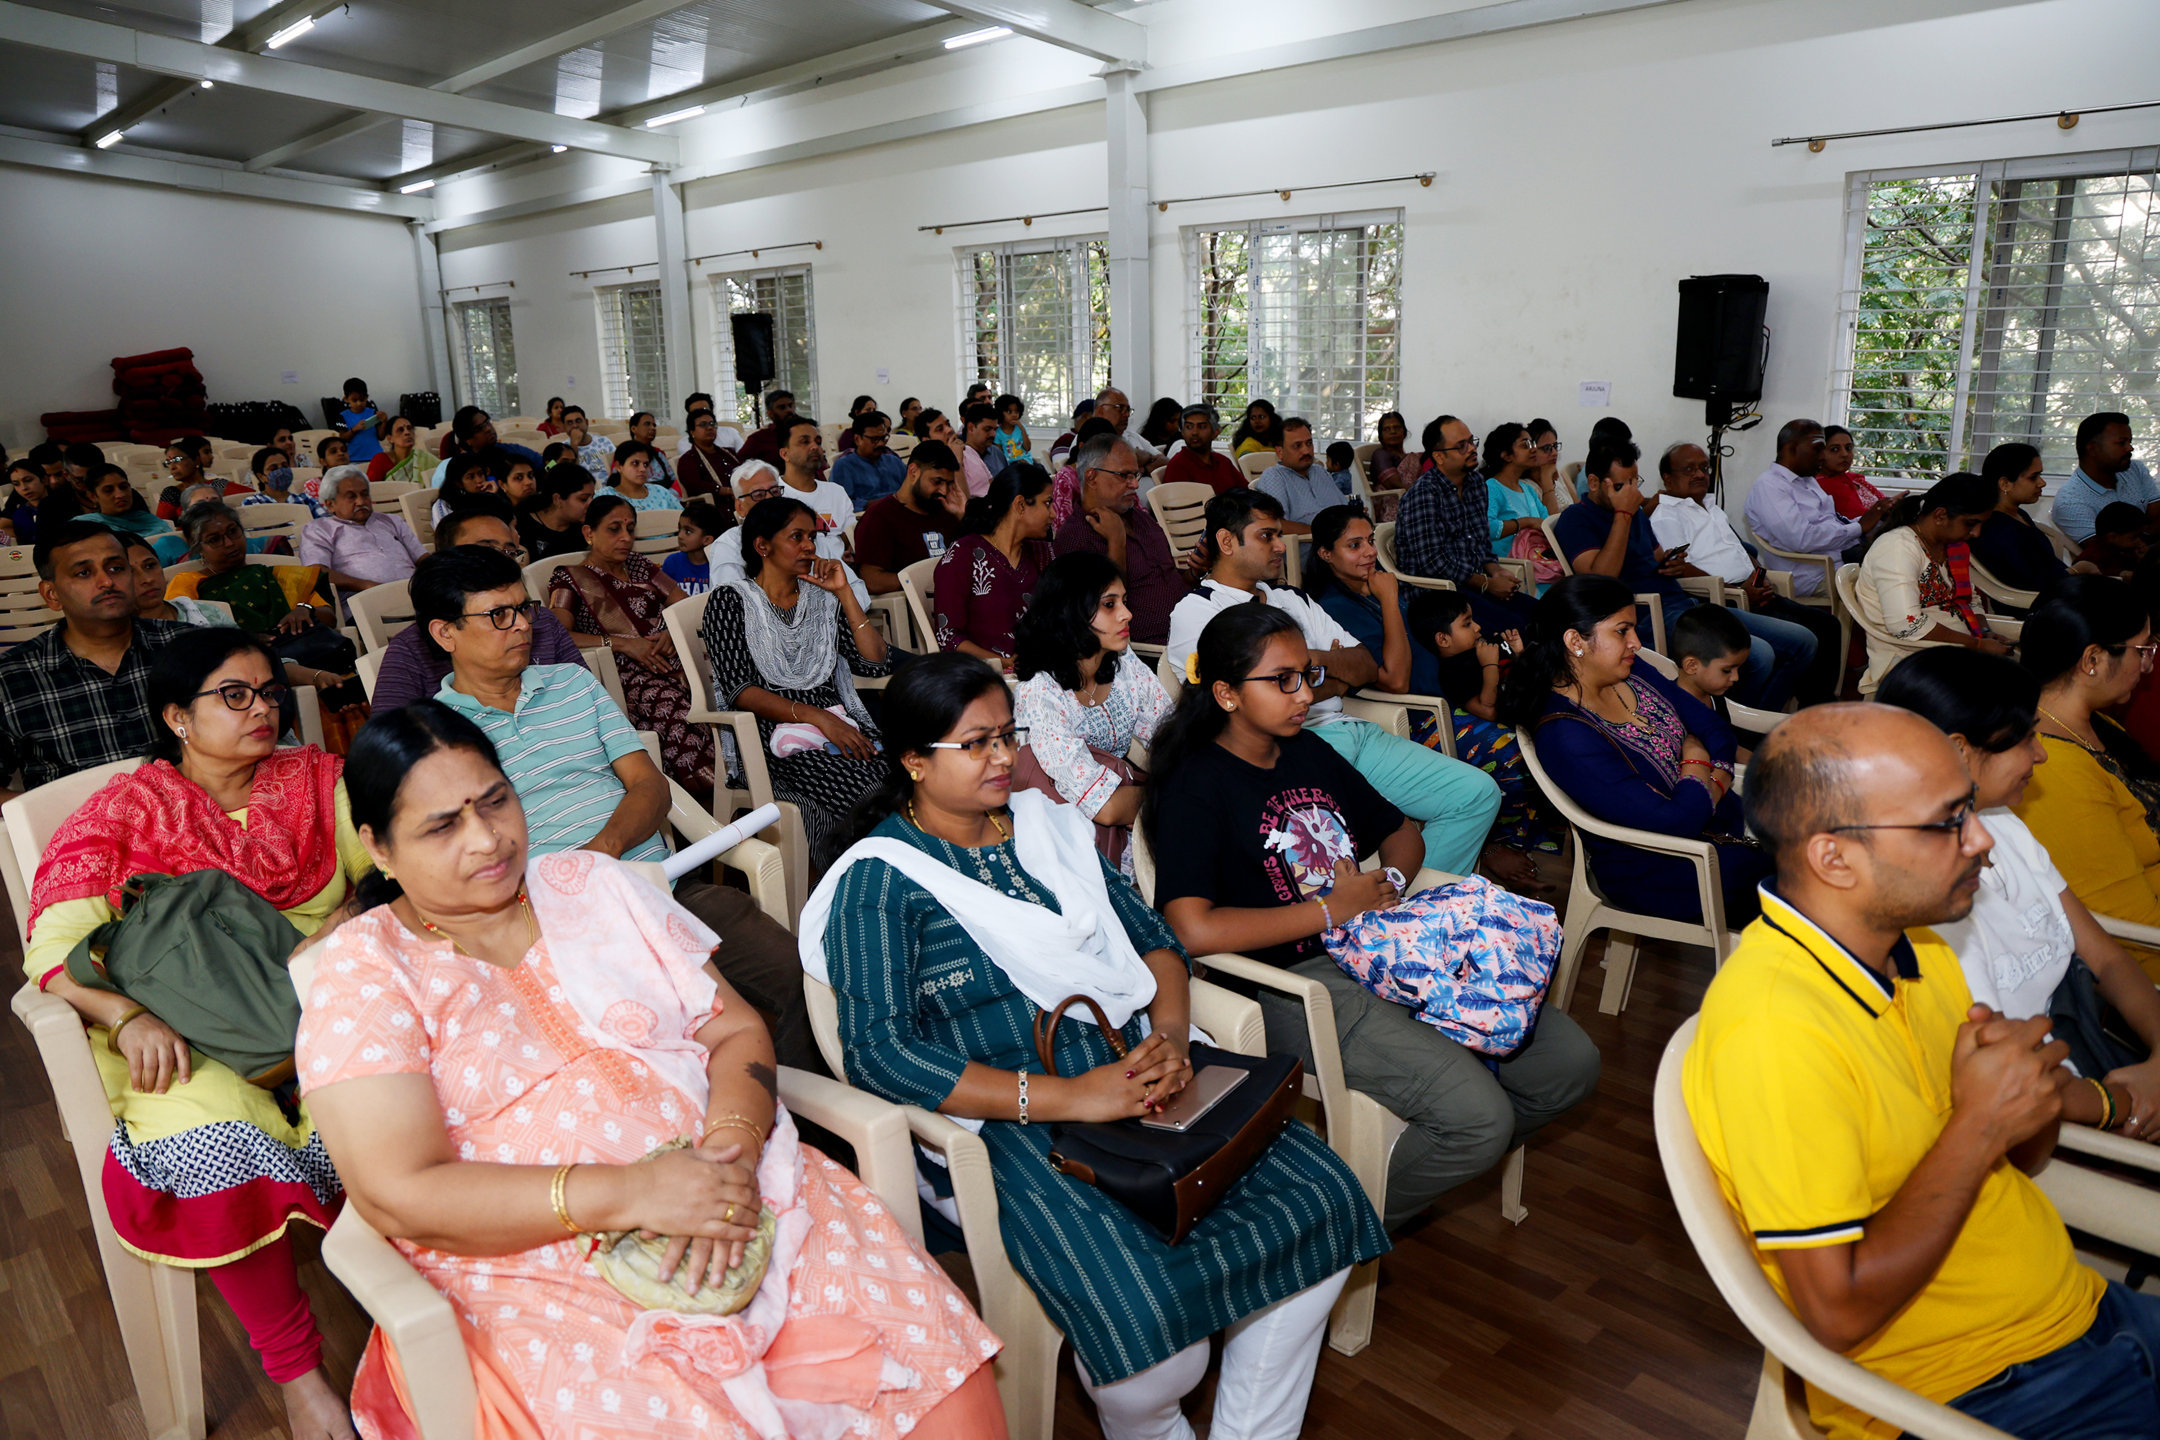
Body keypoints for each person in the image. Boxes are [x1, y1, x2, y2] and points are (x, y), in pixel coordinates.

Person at [300, 703, 1004, 1440]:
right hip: (539, 1258)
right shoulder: (367, 968)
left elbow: (733, 1028)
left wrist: (729, 1155)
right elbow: (399, 1191)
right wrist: (636, 1194)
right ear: (378, 847)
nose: (486, 838)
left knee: (926, 1368)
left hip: (740, 1181)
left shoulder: (591, 885)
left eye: (495, 801)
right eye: (442, 826)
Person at [807, 651, 1384, 1438]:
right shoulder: (882, 880)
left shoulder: (1048, 828)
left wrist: (1172, 1037)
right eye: (976, 744)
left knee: (1321, 1205)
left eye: (1007, 735)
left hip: (1141, 1066)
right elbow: (880, 1052)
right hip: (1015, 1121)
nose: (1004, 758)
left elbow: (1157, 942)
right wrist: (1073, 1097)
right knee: (1159, 1351)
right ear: (913, 760)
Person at [1686, 701, 2160, 1440]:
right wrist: (1980, 1125)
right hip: (1978, 1391)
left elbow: (2020, 1160)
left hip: (2079, 1314)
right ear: (1834, 858)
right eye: (1947, 822)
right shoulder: (1773, 1030)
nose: (1982, 840)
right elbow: (1836, 1313)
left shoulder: (1922, 949)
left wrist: (2024, 1099)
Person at [1147, 605, 1597, 1228]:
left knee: (1569, 1066)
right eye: (1282, 680)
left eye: (1307, 675)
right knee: (1479, 1121)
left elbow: (1401, 832)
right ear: (1226, 694)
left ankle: (1391, 1177)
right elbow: (1190, 929)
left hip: (1380, 944)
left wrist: (1388, 884)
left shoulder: (1305, 751)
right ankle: (1325, 1235)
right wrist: (1330, 909)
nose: (1305, 694)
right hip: (1292, 983)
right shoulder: (1196, 786)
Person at [26, 628, 359, 1438]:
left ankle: (433, 1307)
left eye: (268, 692)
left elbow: (399, 861)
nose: (261, 709)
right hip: (189, 1031)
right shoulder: (124, 813)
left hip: (335, 1003)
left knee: (427, 1084)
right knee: (211, 1139)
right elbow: (53, 952)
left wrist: (348, 917)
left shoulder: (321, 782)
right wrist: (126, 1015)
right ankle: (298, 1374)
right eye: (233, 695)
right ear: (177, 716)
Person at [1880, 646, 2160, 1131]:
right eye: (2025, 737)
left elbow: (2106, 957)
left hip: (2095, 1051)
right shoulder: (1924, 898)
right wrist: (2127, 1102)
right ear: (1959, 750)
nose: (2042, 753)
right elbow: (2002, 1076)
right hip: (2053, 1115)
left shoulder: (2003, 824)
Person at [1169, 488, 1502, 874]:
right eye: (1266, 536)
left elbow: (1364, 666)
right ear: (1227, 542)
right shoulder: (1199, 612)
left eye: (1279, 534)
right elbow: (1241, 702)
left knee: (1476, 795)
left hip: (1351, 730)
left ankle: (1411, 903)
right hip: (1289, 747)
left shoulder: (1290, 598)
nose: (1280, 546)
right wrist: (1330, 675)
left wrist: (1303, 667)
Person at [1500, 573, 1772, 925]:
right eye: (1622, 631)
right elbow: (1675, 824)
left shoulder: (1631, 672)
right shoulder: (1567, 736)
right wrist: (1696, 759)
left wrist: (1711, 787)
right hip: (1663, 868)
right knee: (1816, 871)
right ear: (1575, 641)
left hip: (1720, 825)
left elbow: (1715, 728)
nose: (1637, 643)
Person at [1559, 439, 1819, 710]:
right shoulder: (1576, 519)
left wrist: (1670, 562)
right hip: (1647, 616)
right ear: (1593, 483)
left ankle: (1754, 721)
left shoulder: (1635, 514)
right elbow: (1600, 582)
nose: (1632, 492)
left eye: (1635, 482)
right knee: (1758, 655)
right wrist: (1623, 514)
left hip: (1684, 604)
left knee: (1802, 641)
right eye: (1621, 485)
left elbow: (1653, 557)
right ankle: (1732, 725)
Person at [703, 496, 892, 862]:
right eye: (797, 537)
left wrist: (844, 593)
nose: (809, 546)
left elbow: (874, 663)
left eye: (812, 537)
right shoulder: (730, 601)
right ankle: (868, 872)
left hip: (838, 729)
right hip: (772, 738)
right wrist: (819, 718)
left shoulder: (821, 599)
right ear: (762, 546)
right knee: (871, 794)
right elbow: (740, 690)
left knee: (909, 779)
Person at [2014, 576, 2160, 963]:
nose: (2148, 666)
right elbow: (2130, 928)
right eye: (2142, 650)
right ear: (2092, 660)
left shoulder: (2093, 724)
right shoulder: (2050, 767)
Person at [1008, 551, 1170, 875]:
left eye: (1124, 601)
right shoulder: (1040, 694)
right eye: (1109, 604)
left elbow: (1171, 732)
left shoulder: (1122, 662)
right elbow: (1104, 807)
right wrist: (1173, 793)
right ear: (1071, 613)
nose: (1127, 614)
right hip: (1066, 838)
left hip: (1126, 810)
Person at [1650, 441, 1846, 704]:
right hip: (1720, 599)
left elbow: (1741, 550)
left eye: (1704, 468)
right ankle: (1762, 716)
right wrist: (1738, 591)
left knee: (1827, 625)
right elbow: (1680, 568)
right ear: (1667, 478)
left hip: (1748, 590)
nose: (1699, 474)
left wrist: (1758, 577)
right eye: (1689, 469)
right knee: (1802, 641)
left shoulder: (1711, 507)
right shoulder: (1667, 515)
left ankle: (1813, 708)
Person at [0, 522, 188, 796]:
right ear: (52, 595)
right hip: (72, 820)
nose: (107, 582)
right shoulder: (11, 677)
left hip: (196, 813)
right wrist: (36, 815)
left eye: (116, 568)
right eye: (84, 573)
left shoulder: (188, 647)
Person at [546, 494, 713, 792]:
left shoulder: (640, 565)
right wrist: (622, 644)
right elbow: (558, 636)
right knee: (677, 711)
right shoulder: (570, 579)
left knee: (724, 687)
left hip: (678, 656)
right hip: (628, 674)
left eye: (630, 529)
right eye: (614, 529)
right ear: (588, 533)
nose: (625, 537)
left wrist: (672, 631)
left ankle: (744, 777)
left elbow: (685, 608)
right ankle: (708, 794)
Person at [369, 505, 585, 711]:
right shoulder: (412, 647)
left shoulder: (540, 620)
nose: (500, 560)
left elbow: (583, 694)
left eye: (509, 552)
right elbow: (388, 732)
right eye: (486, 549)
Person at [1401, 585, 1554, 862]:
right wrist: (1489, 666)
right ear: (1443, 639)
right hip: (1511, 719)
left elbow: (1520, 678)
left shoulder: (1481, 649)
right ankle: (1511, 838)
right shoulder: (1454, 671)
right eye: (1467, 623)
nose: (1478, 627)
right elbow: (1488, 710)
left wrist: (1518, 654)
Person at [167, 502, 358, 711]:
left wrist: (305, 609)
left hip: (321, 661)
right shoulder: (188, 583)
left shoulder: (278, 575)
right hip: (250, 682)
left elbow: (329, 618)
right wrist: (242, 640)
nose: (229, 543)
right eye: (214, 540)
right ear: (197, 547)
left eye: (233, 532)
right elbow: (187, 641)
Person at [1852, 472, 2007, 692]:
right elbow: (1907, 624)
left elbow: (1968, 597)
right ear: (1940, 515)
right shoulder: (1898, 548)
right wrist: (1978, 645)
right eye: (1971, 523)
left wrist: (1983, 630)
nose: (1976, 533)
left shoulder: (1947, 545)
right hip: (1909, 658)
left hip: (1951, 649)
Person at [1393, 412, 1537, 629]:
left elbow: (1481, 542)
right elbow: (1433, 563)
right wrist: (1486, 584)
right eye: (1461, 446)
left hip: (1472, 585)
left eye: (1471, 441)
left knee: (1540, 614)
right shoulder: (1424, 494)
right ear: (1439, 457)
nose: (1471, 449)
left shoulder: (1476, 483)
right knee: (1514, 626)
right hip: (1435, 595)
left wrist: (1496, 571)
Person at [1054, 433, 1191, 646]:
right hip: (1148, 648)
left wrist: (1195, 572)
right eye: (1124, 476)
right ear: (1092, 477)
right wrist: (1117, 541)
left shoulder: (1139, 517)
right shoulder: (1076, 536)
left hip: (1188, 628)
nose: (1135, 484)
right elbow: (1100, 610)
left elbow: (1166, 575)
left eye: (1135, 475)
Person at [1744, 418, 1894, 594]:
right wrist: (1858, 527)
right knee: (1891, 585)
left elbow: (1831, 524)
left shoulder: (1807, 481)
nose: (1823, 456)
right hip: (1815, 575)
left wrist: (1875, 518)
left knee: (1902, 563)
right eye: (1817, 448)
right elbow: (1802, 539)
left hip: (1842, 561)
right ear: (1791, 449)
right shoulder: (1770, 486)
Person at [931, 463, 1054, 666]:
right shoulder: (963, 555)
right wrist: (1003, 662)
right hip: (986, 674)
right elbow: (948, 637)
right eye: (1047, 503)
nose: (1053, 514)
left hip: (1043, 669)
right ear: (1020, 505)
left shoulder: (1043, 554)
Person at [706, 463, 872, 609]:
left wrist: (829, 607)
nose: (770, 500)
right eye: (758, 495)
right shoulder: (729, 545)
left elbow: (860, 596)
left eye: (775, 491)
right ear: (740, 507)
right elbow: (732, 605)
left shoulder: (808, 538)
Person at [1973, 441, 2085, 596]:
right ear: (2005, 484)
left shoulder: (2018, 514)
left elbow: (2046, 565)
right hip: (2032, 602)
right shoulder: (1996, 528)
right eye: (2033, 477)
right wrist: (2076, 570)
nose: (2042, 483)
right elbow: (2029, 581)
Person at [854, 440, 963, 595]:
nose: (944, 491)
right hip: (914, 602)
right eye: (937, 482)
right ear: (913, 472)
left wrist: (962, 515)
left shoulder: (947, 510)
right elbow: (871, 580)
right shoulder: (880, 516)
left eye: (949, 483)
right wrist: (924, 580)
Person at [298, 468, 425, 597]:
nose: (361, 502)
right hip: (366, 600)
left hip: (416, 594)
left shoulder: (392, 521)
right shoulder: (319, 529)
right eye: (351, 497)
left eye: (365, 494)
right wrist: (367, 586)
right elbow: (316, 572)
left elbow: (422, 558)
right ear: (331, 505)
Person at [2051, 410, 2160, 544]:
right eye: (2122, 443)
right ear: (2092, 449)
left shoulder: (2135, 469)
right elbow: (2108, 550)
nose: (2130, 448)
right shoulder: (2070, 502)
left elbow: (2158, 517)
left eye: (2130, 442)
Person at [1669, 601, 1754, 738]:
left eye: (1739, 668)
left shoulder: (1715, 697)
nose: (1736, 677)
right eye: (1727, 670)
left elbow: (1729, 744)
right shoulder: (1672, 711)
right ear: (1692, 666)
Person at [774, 416, 851, 562]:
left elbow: (850, 536)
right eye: (805, 442)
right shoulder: (773, 495)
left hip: (839, 568)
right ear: (785, 454)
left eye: (818, 442)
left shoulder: (836, 492)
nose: (815, 447)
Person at [1483, 421, 1552, 572]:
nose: (1533, 449)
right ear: (1506, 455)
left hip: (1537, 561)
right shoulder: (1492, 487)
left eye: (1533, 444)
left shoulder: (1527, 489)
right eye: (1525, 445)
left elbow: (1546, 522)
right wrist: (1526, 522)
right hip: (1510, 567)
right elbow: (1488, 527)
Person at [83, 463, 185, 564]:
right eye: (108, 490)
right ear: (93, 496)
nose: (120, 494)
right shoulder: (89, 528)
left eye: (124, 487)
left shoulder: (149, 520)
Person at [1253, 418, 1341, 531]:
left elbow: (1344, 506)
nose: (1306, 451)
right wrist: (1322, 533)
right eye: (1297, 445)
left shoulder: (1320, 471)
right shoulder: (1275, 476)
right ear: (1280, 452)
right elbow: (1275, 524)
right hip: (1313, 540)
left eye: (1309, 443)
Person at [517, 461, 595, 561]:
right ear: (557, 499)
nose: (590, 504)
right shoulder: (521, 526)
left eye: (592, 497)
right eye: (583, 499)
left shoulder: (584, 530)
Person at [1161, 403, 1243, 495]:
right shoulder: (1178, 466)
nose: (1194, 432)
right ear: (1183, 432)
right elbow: (1179, 503)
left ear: (1215, 432)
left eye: (1202, 426)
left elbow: (1247, 491)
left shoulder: (1222, 461)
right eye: (1189, 427)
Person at [830, 408, 904, 507]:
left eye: (883, 438)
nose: (881, 443)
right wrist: (877, 504)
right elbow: (841, 504)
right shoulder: (844, 466)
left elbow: (910, 489)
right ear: (857, 439)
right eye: (874, 439)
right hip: (867, 514)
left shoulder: (893, 461)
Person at [1813, 424, 1889, 520]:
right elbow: (1863, 522)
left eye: (1848, 448)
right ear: (1819, 453)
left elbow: (1885, 503)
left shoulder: (1853, 479)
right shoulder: (1824, 485)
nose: (1845, 454)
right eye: (1834, 449)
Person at [1094, 387, 1167, 477]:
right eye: (1120, 408)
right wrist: (1140, 459)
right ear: (1100, 411)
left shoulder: (1132, 436)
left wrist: (1145, 466)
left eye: (1128, 410)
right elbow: (1112, 466)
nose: (1127, 414)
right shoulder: (1090, 438)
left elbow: (1165, 461)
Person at [675, 407, 741, 500]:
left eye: (712, 424)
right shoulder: (688, 460)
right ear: (692, 432)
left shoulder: (729, 452)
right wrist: (726, 491)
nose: (710, 428)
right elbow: (695, 486)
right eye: (703, 424)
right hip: (717, 504)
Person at [246, 445, 325, 518]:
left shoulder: (306, 499)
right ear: (261, 477)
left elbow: (325, 523)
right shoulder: (253, 503)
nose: (281, 471)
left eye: (284, 466)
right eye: (274, 469)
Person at [664, 498, 723, 596]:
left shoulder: (719, 566)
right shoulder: (672, 562)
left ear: (707, 540)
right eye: (679, 529)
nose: (680, 536)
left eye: (688, 531)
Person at [428, 451, 501, 526]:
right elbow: (445, 531)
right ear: (458, 483)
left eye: (480, 474)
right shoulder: (443, 505)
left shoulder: (489, 495)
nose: (479, 480)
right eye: (471, 477)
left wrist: (493, 497)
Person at [2080, 501, 2150, 576]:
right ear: (2112, 537)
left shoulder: (2126, 550)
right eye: (2134, 537)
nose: (2139, 541)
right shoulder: (2091, 558)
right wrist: (2122, 574)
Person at [738, 388, 801, 468]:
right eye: (782, 407)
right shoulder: (759, 439)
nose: (789, 410)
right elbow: (738, 466)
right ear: (770, 413)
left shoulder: (806, 432)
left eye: (790, 405)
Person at [365, 414, 428, 489]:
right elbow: (371, 489)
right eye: (400, 430)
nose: (407, 432)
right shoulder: (380, 460)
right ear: (390, 438)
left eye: (409, 428)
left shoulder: (421, 458)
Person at [955, 402, 1003, 499]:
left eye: (995, 429)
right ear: (971, 428)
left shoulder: (997, 452)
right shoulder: (960, 455)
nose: (993, 434)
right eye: (987, 429)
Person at [1526, 418, 1572, 510]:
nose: (1555, 453)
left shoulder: (1556, 475)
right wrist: (1546, 478)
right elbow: (1551, 518)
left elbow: (1579, 506)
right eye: (1547, 448)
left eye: (1555, 446)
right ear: (1531, 451)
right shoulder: (1527, 487)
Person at [336, 376, 383, 463]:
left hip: (375, 457)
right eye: (354, 400)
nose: (359, 403)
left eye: (362, 400)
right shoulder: (342, 416)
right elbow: (342, 439)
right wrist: (354, 429)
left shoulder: (373, 413)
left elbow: (381, 437)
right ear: (346, 399)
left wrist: (384, 421)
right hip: (353, 459)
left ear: (367, 397)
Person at [625, 410, 675, 489]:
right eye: (647, 424)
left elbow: (673, 479)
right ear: (634, 429)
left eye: (654, 425)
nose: (653, 428)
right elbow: (618, 482)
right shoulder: (624, 453)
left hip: (665, 492)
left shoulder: (658, 454)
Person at [1370, 410, 1412, 490]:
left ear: (1404, 431)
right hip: (1394, 497)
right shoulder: (1380, 455)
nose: (1393, 432)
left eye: (1397, 428)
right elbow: (1393, 484)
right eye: (1387, 429)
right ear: (1381, 435)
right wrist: (1420, 490)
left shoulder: (1411, 458)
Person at [994, 392, 1032, 461]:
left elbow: (1027, 448)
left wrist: (1022, 429)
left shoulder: (1021, 428)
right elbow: (999, 456)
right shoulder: (998, 433)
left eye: (1016, 412)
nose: (1014, 415)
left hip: (1026, 461)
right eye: (1009, 412)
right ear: (1000, 413)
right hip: (1010, 464)